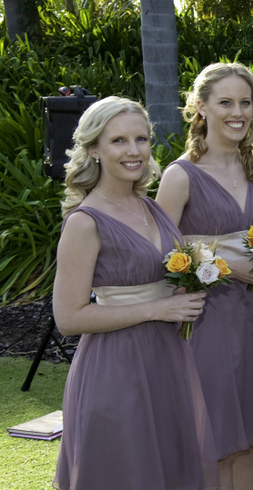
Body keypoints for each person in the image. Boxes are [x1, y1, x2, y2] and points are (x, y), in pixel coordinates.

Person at [52, 97, 218, 489]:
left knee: (170, 468)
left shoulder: (150, 206)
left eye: (141, 139)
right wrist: (159, 308)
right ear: (93, 149)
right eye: (118, 141)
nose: (133, 151)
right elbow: (69, 318)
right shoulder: (84, 221)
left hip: (167, 361)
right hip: (116, 368)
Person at [156, 63, 253, 490]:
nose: (238, 112)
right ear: (200, 107)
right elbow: (161, 253)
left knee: (249, 435)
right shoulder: (180, 176)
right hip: (210, 320)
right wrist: (229, 266)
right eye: (225, 102)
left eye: (246, 102)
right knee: (216, 436)